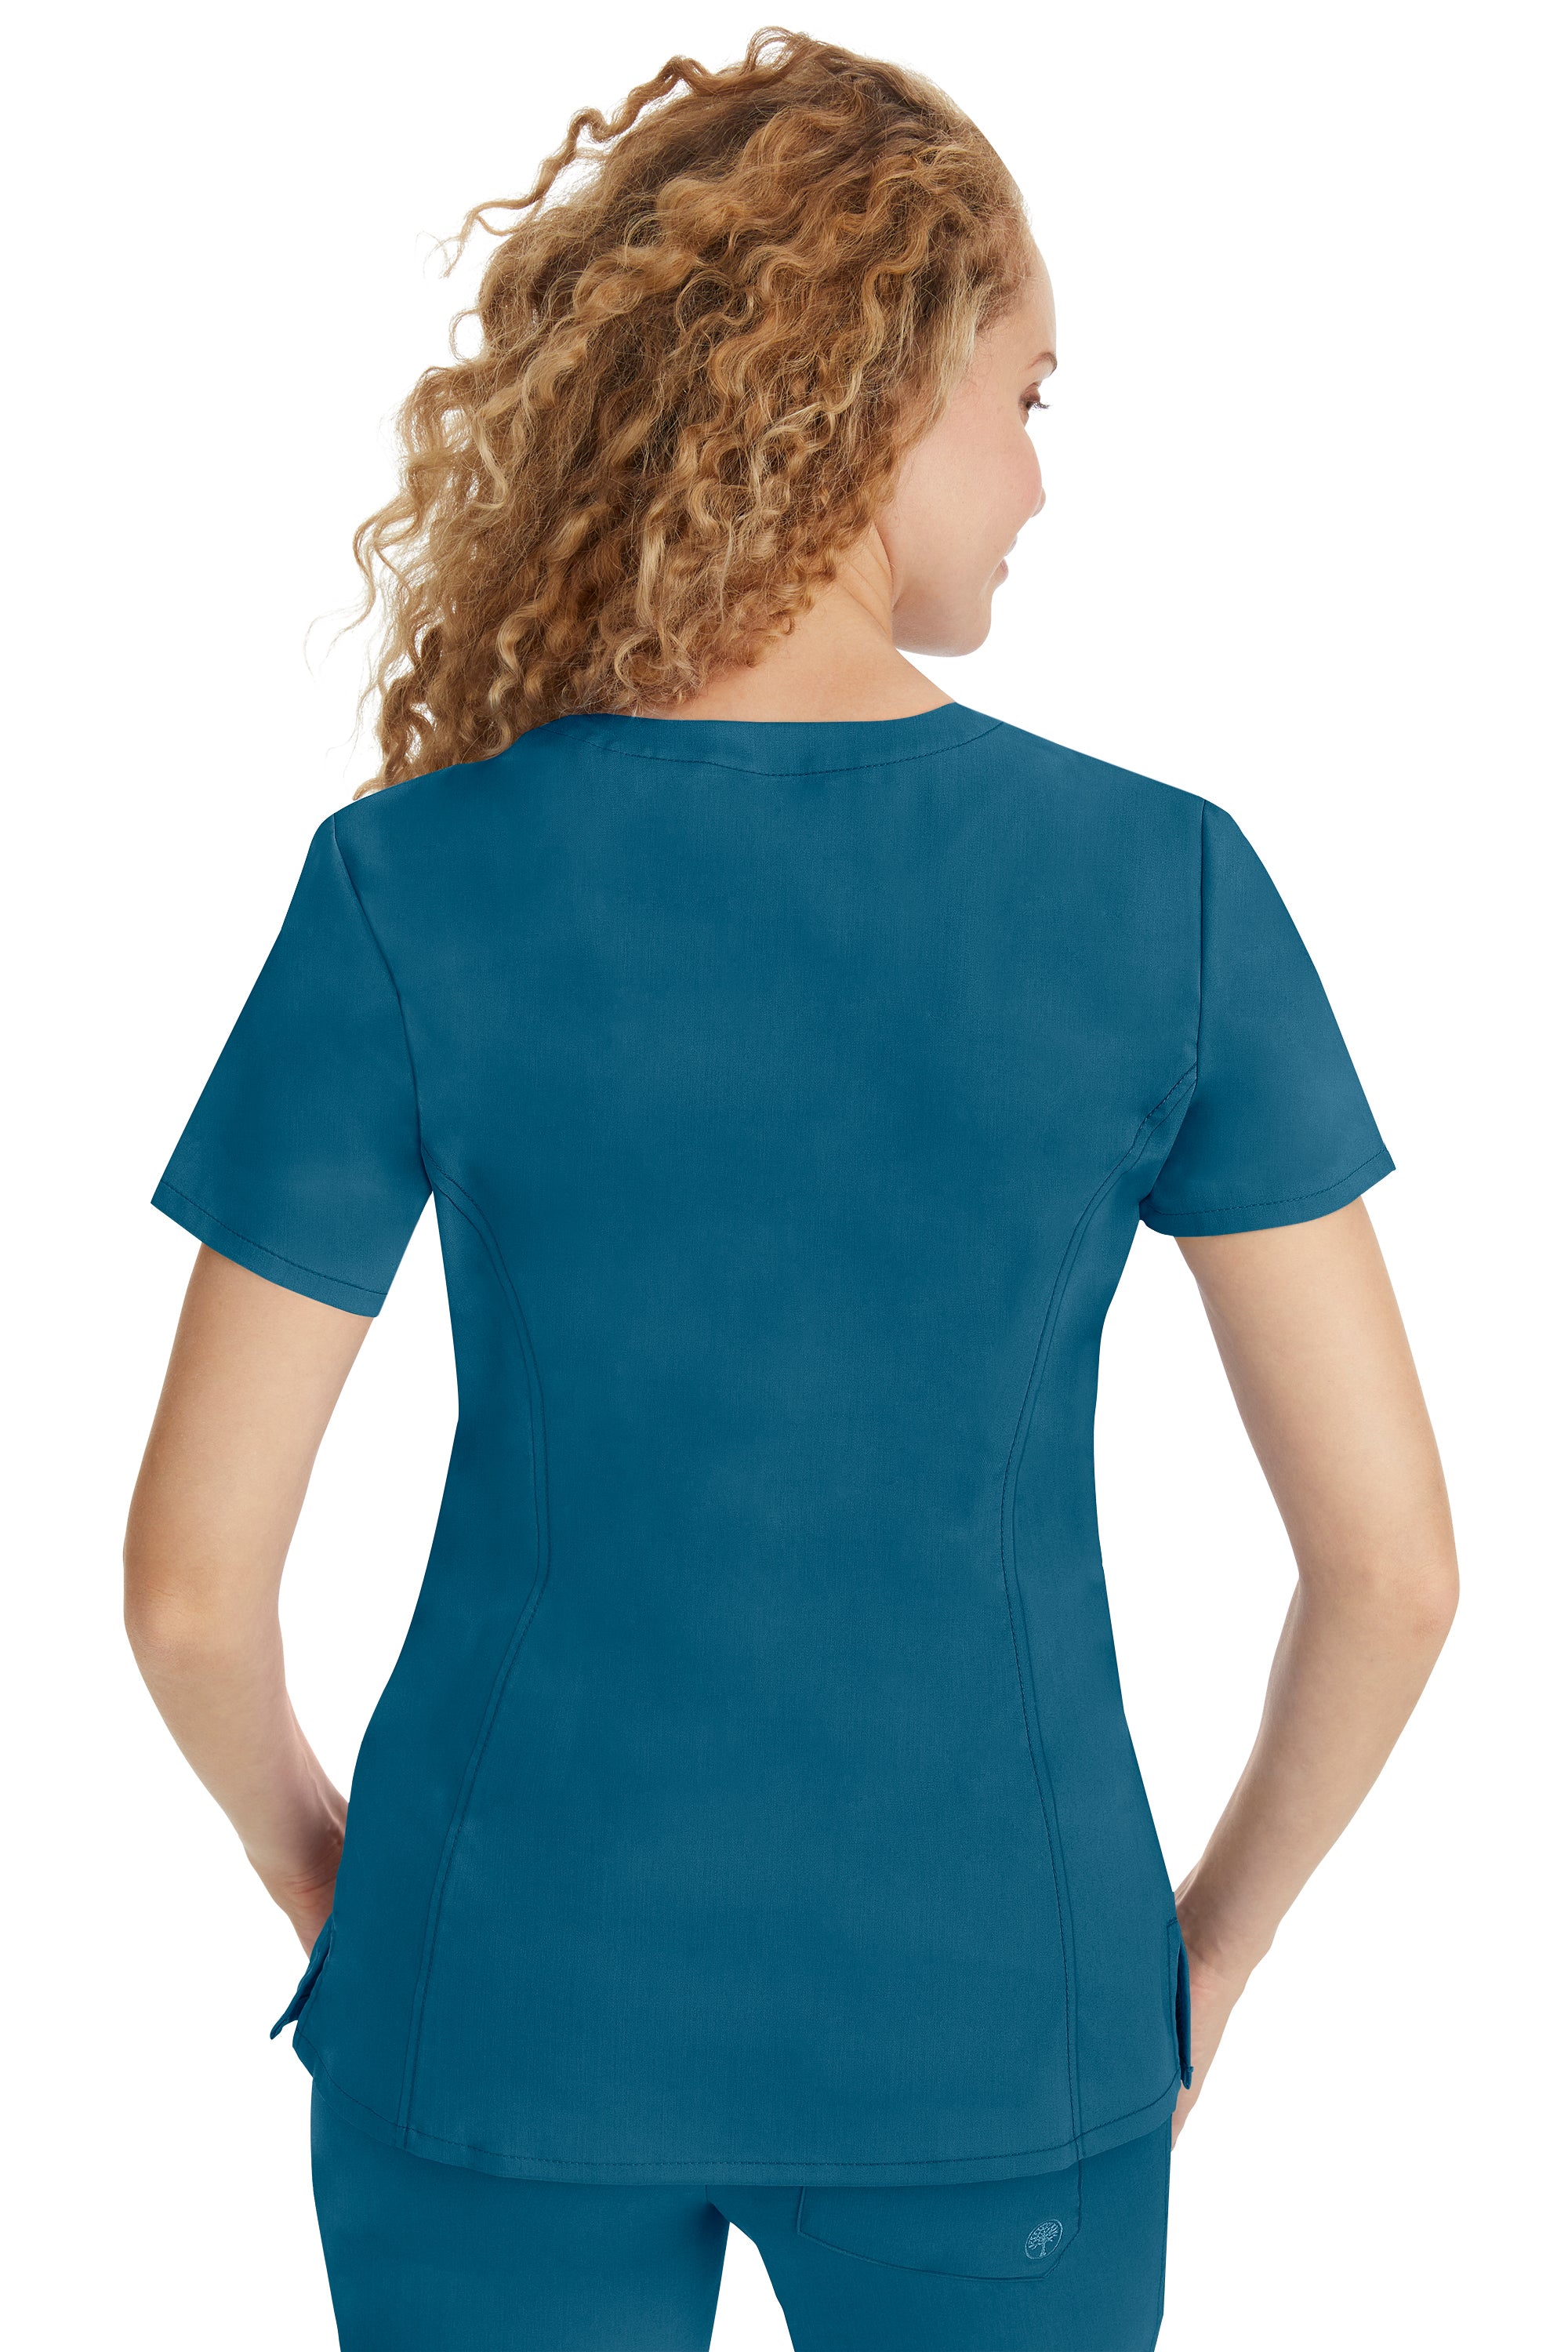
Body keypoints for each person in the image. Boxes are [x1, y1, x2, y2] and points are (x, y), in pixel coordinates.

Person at [123, 29, 1458, 2352]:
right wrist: (1204, 1957)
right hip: (1001, 2020)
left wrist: (346, 1889)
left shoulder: (406, 886)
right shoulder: (1164, 891)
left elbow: (189, 1595)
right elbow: (1394, 1570)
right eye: (1030, 397)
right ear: (882, 383)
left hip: (493, 1995)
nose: (1041, 480)